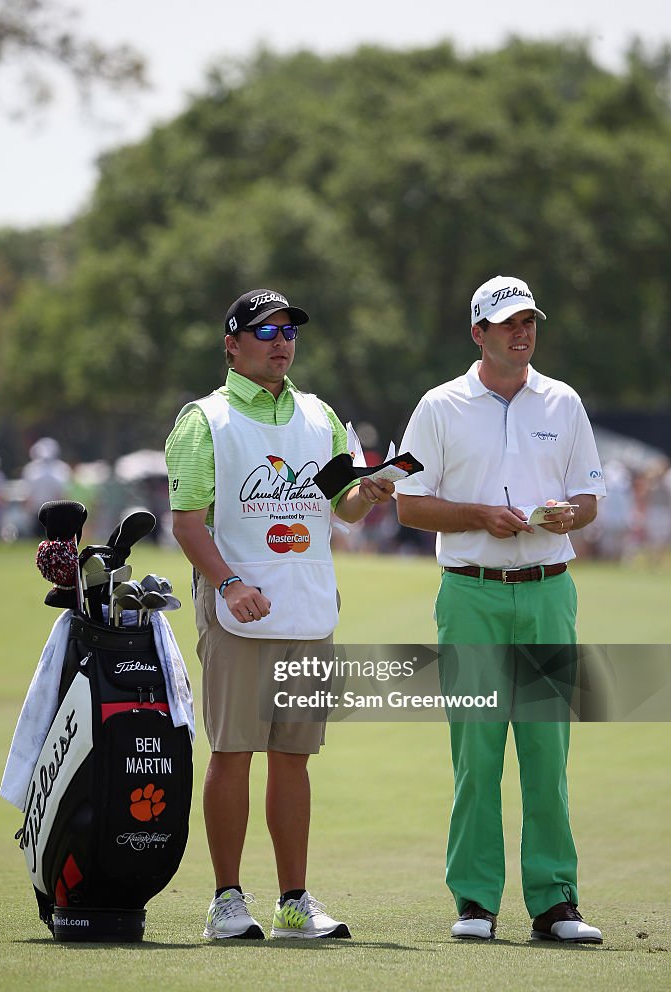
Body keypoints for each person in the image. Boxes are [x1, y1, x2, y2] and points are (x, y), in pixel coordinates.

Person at [165, 288, 393, 941]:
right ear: (232, 345)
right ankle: (226, 902)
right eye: (264, 331)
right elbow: (186, 524)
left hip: (306, 606)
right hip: (238, 606)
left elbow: (339, 508)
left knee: (292, 756)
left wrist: (370, 494)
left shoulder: (318, 417)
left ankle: (294, 901)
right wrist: (230, 584)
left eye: (288, 330)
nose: (280, 341)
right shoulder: (203, 421)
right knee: (233, 750)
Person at [394, 275, 606, 944]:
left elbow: (589, 499)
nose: (521, 331)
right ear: (477, 333)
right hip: (470, 592)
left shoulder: (562, 402)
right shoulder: (439, 405)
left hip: (548, 588)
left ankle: (554, 904)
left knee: (547, 751)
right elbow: (408, 502)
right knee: (475, 753)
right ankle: (475, 903)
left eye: (528, 321)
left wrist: (570, 512)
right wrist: (479, 514)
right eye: (506, 322)